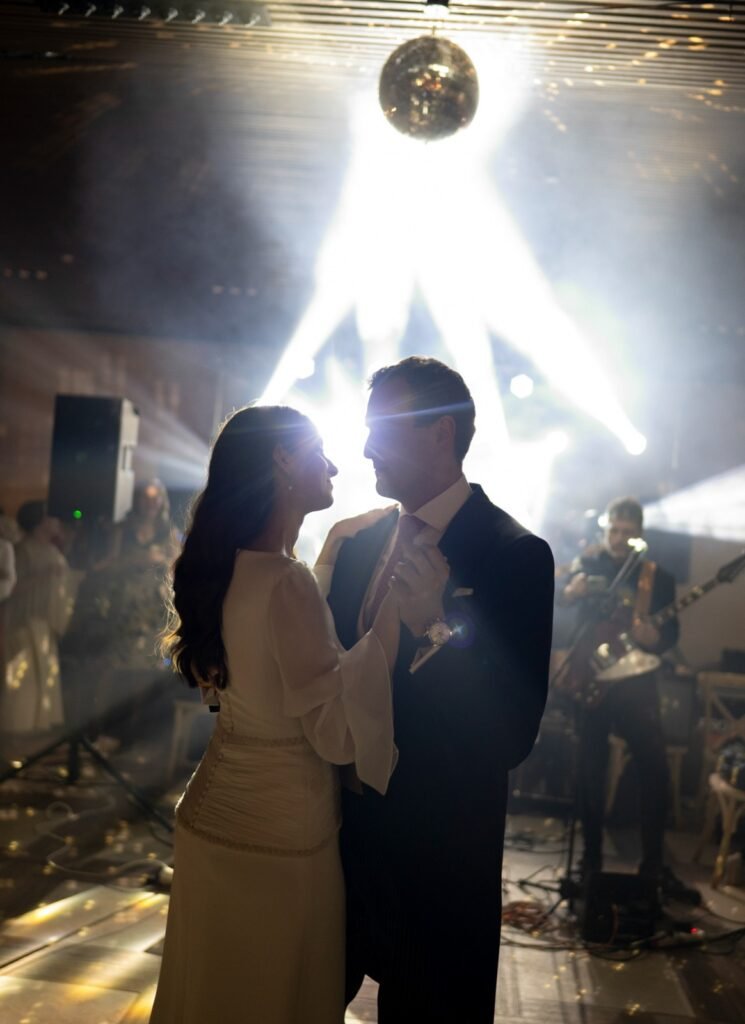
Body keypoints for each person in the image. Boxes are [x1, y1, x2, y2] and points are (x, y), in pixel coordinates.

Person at [149, 405, 448, 1024]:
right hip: (281, 838)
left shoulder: (229, 567)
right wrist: (398, 616)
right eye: (319, 452)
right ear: (283, 460)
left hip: (213, 817)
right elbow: (335, 731)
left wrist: (332, 551)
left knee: (211, 994)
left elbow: (275, 655)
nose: (335, 465)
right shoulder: (286, 583)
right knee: (272, 997)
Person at [315, 357, 555, 1023]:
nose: (363, 448)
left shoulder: (513, 554)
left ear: (439, 434)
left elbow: (510, 731)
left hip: (439, 857)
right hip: (340, 842)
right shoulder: (360, 545)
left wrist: (436, 625)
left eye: (380, 430)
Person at [558, 496, 699, 903]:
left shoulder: (657, 577)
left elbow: (671, 633)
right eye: (613, 531)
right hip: (592, 679)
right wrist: (570, 592)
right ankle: (590, 860)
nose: (618, 539)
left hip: (637, 682)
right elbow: (563, 611)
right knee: (590, 768)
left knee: (654, 765)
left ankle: (653, 863)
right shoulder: (588, 564)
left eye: (627, 532)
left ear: (639, 533)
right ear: (605, 529)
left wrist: (659, 639)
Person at [1, 500, 78, 739]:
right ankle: (14, 732)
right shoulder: (23, 549)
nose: (56, 522)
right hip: (22, 621)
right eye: (51, 518)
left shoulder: (53, 550)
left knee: (42, 679)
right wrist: (43, 576)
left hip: (44, 622)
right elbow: (11, 587)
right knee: (22, 681)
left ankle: (32, 733)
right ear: (39, 522)